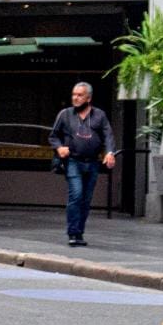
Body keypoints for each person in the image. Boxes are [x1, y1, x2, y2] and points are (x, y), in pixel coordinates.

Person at [49, 81, 115, 247]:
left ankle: (79, 232)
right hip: (73, 161)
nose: (75, 98)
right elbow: (53, 136)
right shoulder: (65, 114)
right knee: (76, 195)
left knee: (86, 200)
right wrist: (59, 147)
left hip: (92, 162)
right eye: (74, 95)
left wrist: (109, 152)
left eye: (79, 95)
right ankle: (72, 232)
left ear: (88, 98)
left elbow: (108, 136)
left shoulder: (99, 115)